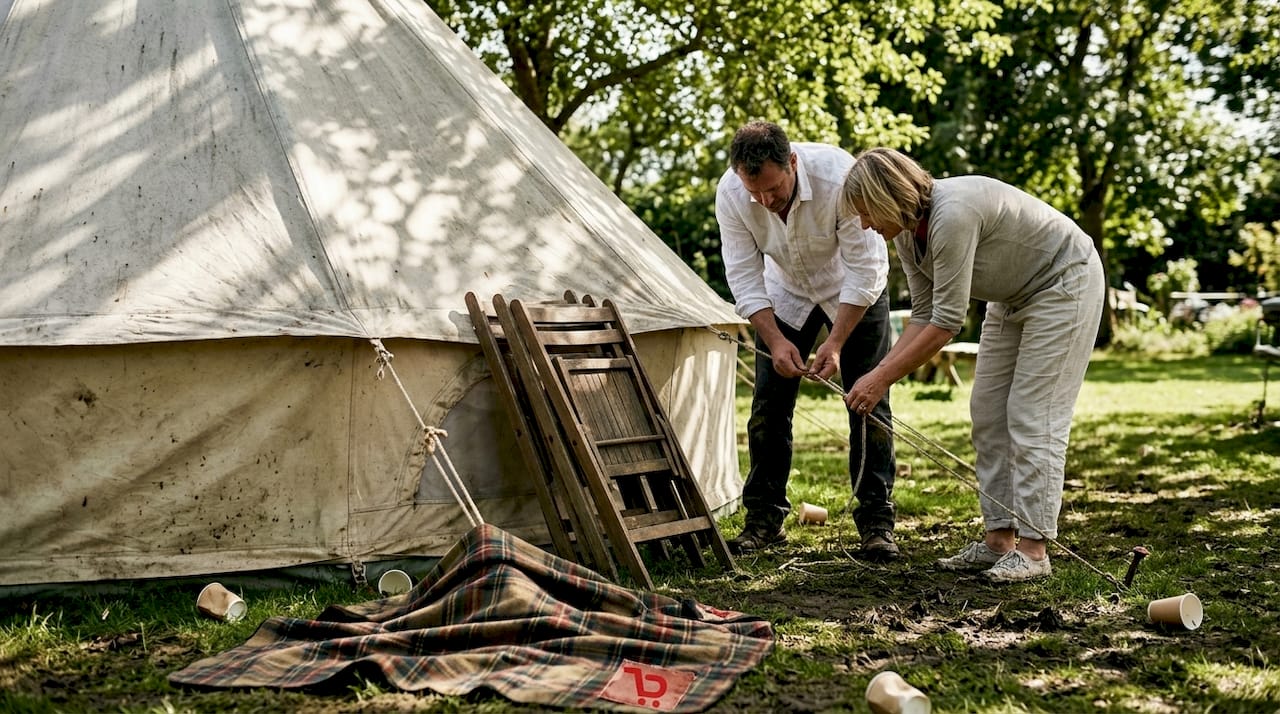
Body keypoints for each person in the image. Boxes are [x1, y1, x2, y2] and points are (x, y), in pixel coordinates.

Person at [840, 148, 1105, 582]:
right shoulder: (908, 233)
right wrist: (877, 373)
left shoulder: (952, 214)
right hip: (1012, 296)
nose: (866, 224)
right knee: (986, 412)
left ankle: (1035, 552)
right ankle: (999, 541)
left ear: (888, 196)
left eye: (867, 212)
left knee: (1032, 414)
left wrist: (879, 378)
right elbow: (924, 312)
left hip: (1065, 280)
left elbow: (946, 323)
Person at [716, 120, 900, 561]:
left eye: (773, 190)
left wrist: (834, 344)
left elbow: (867, 269)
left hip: (853, 291)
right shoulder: (732, 192)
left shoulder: (841, 177)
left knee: (868, 400)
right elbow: (743, 273)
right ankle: (763, 519)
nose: (764, 201)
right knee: (767, 408)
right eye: (754, 192)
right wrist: (775, 340)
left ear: (793, 162)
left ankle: (877, 521)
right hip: (784, 292)